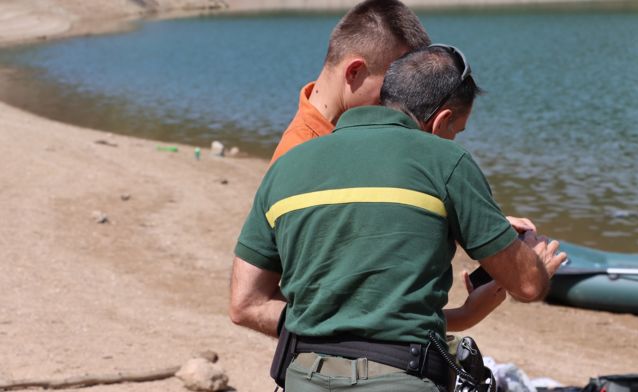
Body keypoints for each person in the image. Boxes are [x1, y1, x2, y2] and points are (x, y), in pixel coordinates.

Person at [229, 44, 567, 391]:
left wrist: (463, 316)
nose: (456, 140)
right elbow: (527, 285)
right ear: (442, 120)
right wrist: (534, 263)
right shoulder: (445, 159)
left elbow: (245, 304)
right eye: (458, 130)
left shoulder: (287, 165)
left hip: (304, 378)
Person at [269, 0, 431, 164]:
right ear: (354, 72)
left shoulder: (354, 130)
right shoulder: (298, 156)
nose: (400, 101)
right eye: (393, 86)